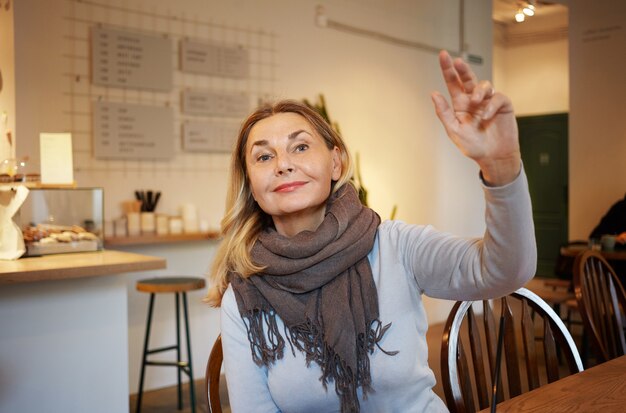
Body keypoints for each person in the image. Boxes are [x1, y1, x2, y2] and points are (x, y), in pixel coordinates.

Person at [206, 50, 536, 413]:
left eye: (300, 147)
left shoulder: (396, 246)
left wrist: (501, 168)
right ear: (251, 184)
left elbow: (505, 270)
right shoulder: (244, 294)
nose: (284, 164)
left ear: (336, 162)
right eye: (264, 156)